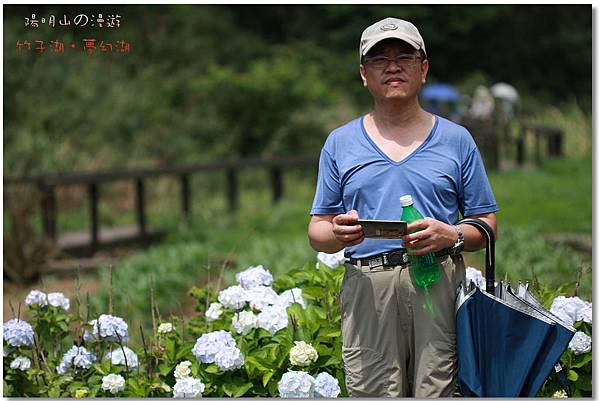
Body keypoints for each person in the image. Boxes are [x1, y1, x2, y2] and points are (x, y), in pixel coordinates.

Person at [307, 17, 499, 397]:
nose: (392, 66)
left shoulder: (456, 139)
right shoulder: (339, 142)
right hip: (368, 285)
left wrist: (453, 234)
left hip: (438, 282)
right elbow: (317, 230)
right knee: (373, 390)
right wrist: (337, 233)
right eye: (379, 59)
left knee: (439, 389)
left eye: (404, 57)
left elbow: (487, 224)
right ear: (364, 74)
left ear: (423, 69)